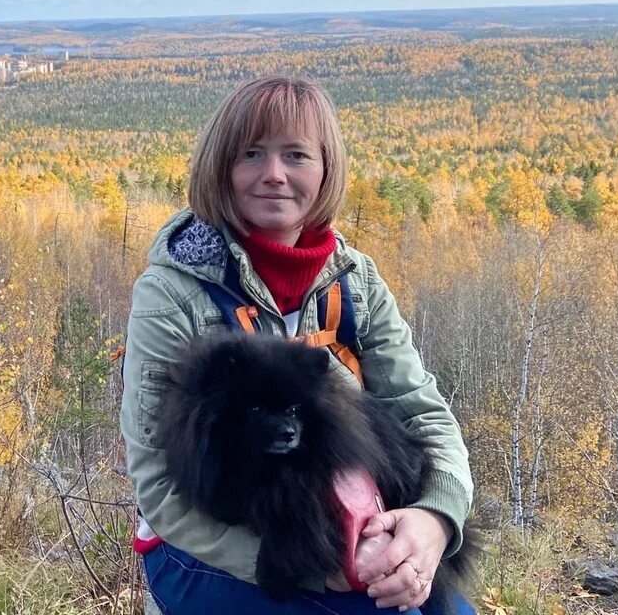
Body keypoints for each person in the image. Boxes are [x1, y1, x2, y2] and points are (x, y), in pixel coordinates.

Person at [120, 75, 474, 615]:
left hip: (351, 520)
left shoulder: (354, 280)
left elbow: (423, 414)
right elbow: (160, 490)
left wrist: (433, 523)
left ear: (326, 169)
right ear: (222, 168)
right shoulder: (173, 291)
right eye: (252, 154)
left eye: (297, 155)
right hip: (211, 546)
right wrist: (317, 565)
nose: (274, 175)